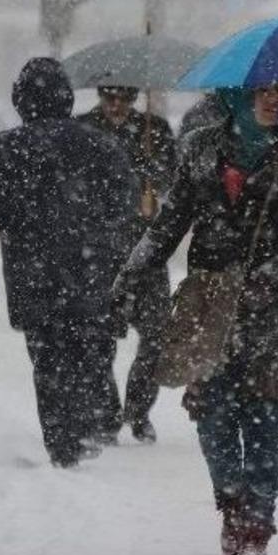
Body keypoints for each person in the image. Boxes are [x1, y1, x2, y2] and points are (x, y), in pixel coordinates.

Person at [113, 85, 278, 555]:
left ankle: (258, 525)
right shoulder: (200, 151)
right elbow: (171, 222)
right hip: (209, 304)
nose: (273, 101)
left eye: (277, 92)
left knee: (263, 416)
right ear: (237, 100)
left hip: (269, 306)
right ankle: (233, 504)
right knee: (214, 412)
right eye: (261, 93)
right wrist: (131, 271)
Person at [0, 57, 135, 468]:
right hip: (93, 273)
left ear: (21, 101)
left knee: (48, 362)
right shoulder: (100, 144)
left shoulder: (3, 149)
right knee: (90, 353)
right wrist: (98, 233)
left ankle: (62, 442)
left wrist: (19, 218)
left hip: (33, 278)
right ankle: (91, 422)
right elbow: (125, 204)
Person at [77, 85, 178, 443]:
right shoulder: (83, 130)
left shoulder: (156, 130)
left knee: (156, 336)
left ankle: (138, 411)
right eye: (109, 97)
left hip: (146, 251)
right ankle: (106, 414)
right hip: (99, 254)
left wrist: (153, 177)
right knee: (99, 339)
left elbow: (174, 180)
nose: (116, 105)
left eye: (124, 97)